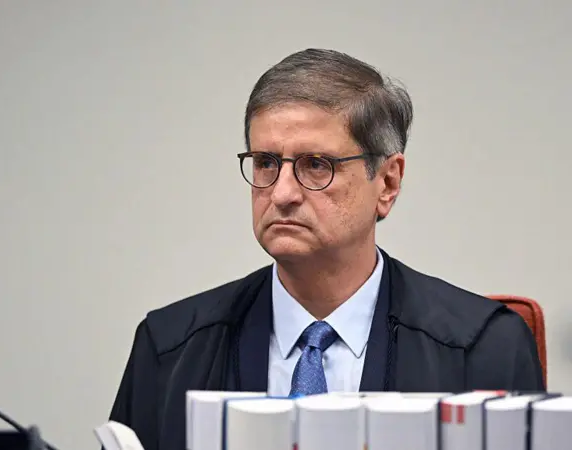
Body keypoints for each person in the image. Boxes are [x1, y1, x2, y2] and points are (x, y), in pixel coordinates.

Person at [107, 48, 544, 450]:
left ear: (387, 182)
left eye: (316, 165)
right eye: (266, 163)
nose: (282, 193)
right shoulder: (170, 348)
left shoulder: (483, 348)